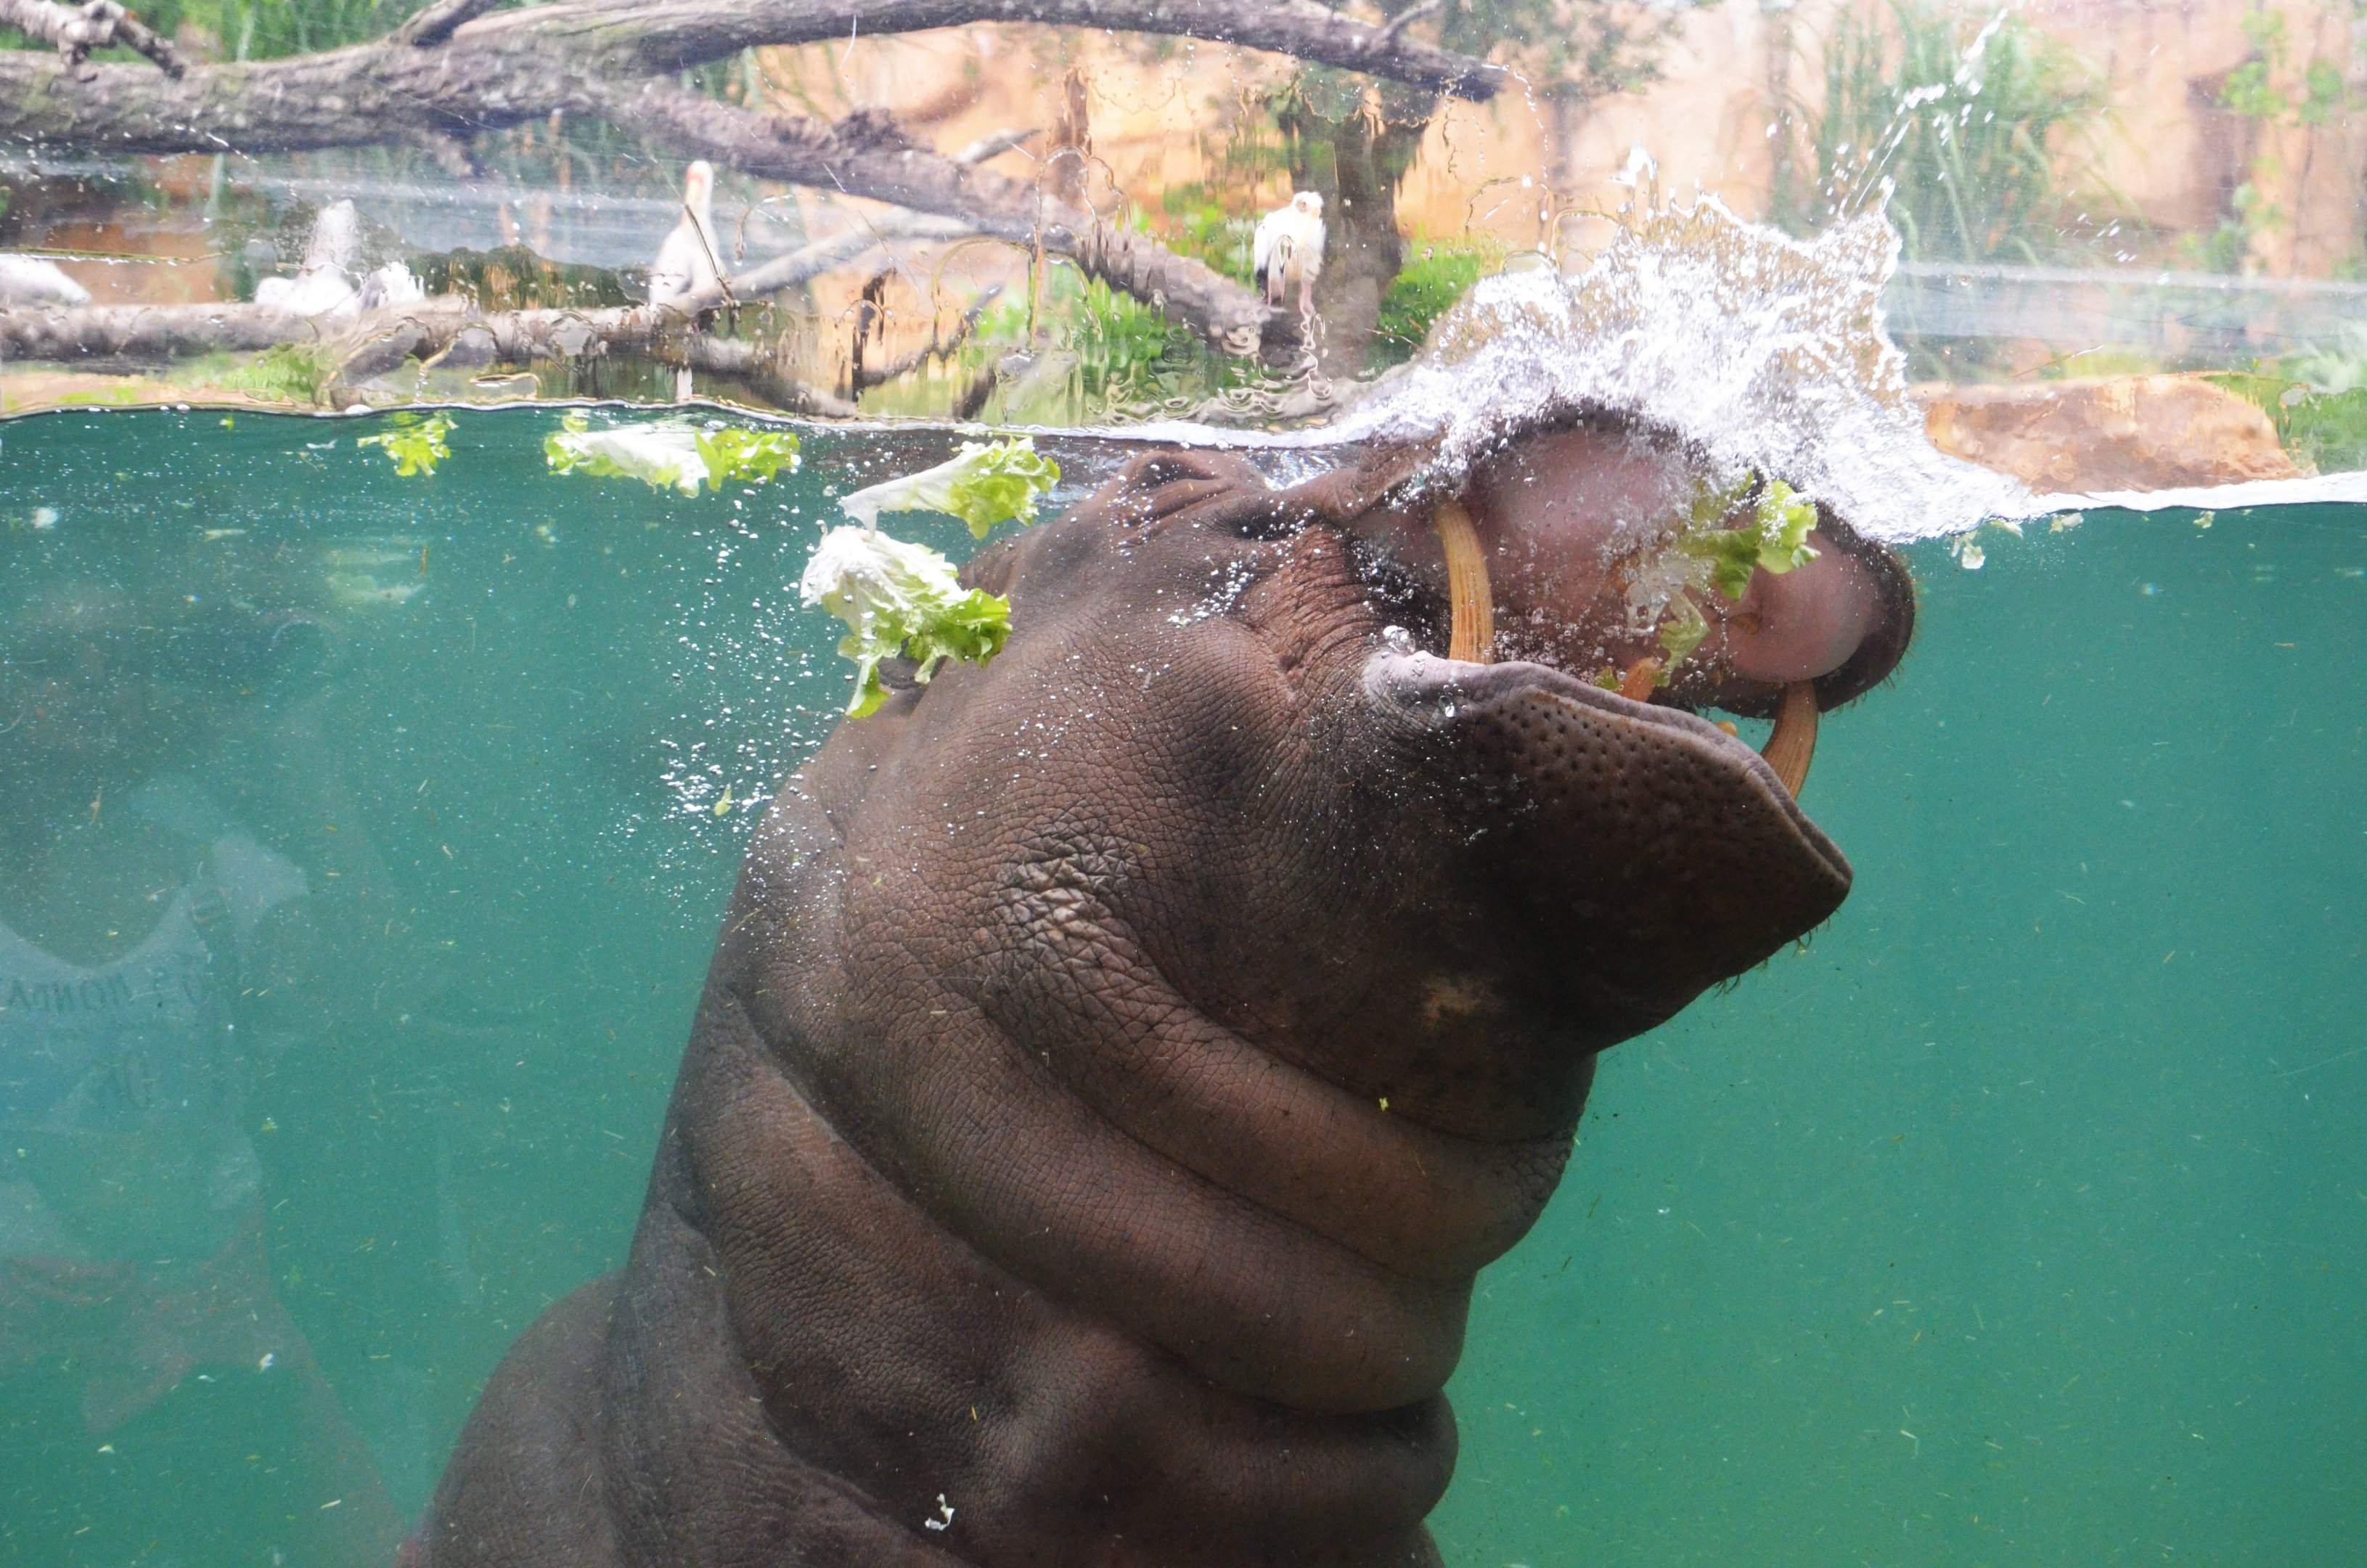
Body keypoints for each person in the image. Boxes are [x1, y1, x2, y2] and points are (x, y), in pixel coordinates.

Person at [0, 578, 404, 1567]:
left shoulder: (225, 880)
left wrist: (302, 755)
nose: (90, 685)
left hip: (220, 1329)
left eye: (125, 662)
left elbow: (379, 989)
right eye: (51, 661)